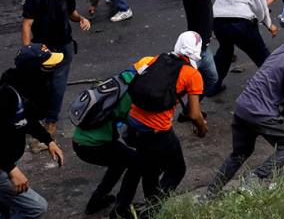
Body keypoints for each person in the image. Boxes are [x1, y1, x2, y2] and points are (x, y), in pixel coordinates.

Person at [206, 20, 284, 197]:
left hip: (243, 107)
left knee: (239, 154)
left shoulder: (282, 50)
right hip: (260, 113)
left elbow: (279, 90)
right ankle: (255, 177)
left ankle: (209, 194)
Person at [111, 32, 207, 218]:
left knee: (147, 166)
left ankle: (121, 209)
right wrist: (202, 128)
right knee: (177, 169)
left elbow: (126, 80)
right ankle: (151, 211)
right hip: (158, 131)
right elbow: (194, 114)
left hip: (132, 124)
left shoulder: (152, 60)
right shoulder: (192, 74)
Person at [21, 0, 91, 149]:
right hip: (44, 48)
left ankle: (47, 124)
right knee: (48, 85)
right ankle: (45, 125)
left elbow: (71, 14)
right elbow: (27, 24)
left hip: (61, 46)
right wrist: (28, 50)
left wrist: (81, 19)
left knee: (54, 85)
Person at [0, 45, 66, 219]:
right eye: (47, 65)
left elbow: (27, 119)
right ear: (32, 70)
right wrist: (11, 169)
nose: (51, 70)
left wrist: (48, 140)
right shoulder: (6, 96)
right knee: (37, 208)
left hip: (6, 161)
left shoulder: (21, 90)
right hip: (3, 165)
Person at [211, 0, 278, 90]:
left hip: (217, 20)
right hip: (240, 22)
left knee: (225, 52)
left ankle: (213, 86)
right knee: (262, 56)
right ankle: (279, 89)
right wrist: (267, 23)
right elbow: (260, 3)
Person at [72, 69, 136, 215]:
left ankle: (95, 201)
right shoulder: (127, 98)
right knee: (135, 162)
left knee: (119, 162)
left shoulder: (113, 88)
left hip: (79, 142)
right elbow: (134, 124)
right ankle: (122, 208)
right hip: (93, 146)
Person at [160, 0, 219, 97]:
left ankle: (191, 109)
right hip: (195, 52)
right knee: (180, 87)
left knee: (212, 79)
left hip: (203, 47)